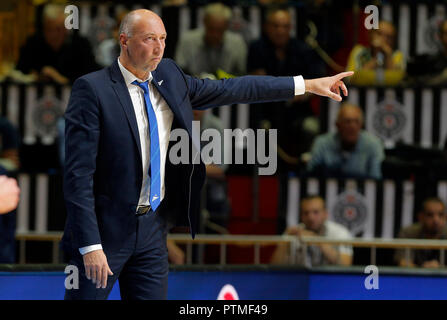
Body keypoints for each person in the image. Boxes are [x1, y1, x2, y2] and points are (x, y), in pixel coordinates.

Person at [62, 8, 353, 300]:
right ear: (124, 41)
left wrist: (308, 85)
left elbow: (235, 88)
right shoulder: (93, 89)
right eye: (150, 39)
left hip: (152, 229)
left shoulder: (169, 76)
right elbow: (78, 177)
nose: (159, 47)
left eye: (163, 38)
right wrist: (90, 245)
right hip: (104, 231)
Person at [16, 4, 99, 84]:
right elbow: (19, 72)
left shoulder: (81, 46)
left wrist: (59, 79)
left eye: (58, 29)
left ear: (67, 29)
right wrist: (35, 77)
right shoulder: (32, 44)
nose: (53, 34)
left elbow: (90, 79)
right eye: (49, 29)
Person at [306, 103, 384, 179]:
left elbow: (375, 179)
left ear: (361, 125)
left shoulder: (373, 144)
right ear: (337, 125)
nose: (352, 126)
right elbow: (311, 176)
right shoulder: (322, 143)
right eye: (347, 121)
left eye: (356, 121)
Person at [271, 195, 353, 266]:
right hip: (299, 279)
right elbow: (274, 265)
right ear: (301, 216)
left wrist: (316, 240)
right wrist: (284, 243)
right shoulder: (293, 232)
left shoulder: (339, 232)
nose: (311, 217)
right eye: (306, 213)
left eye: (316, 212)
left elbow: (345, 264)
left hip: (331, 280)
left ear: (325, 214)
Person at [174, 3, 247, 77]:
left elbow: (242, 73)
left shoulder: (237, 43)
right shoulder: (188, 40)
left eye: (219, 30)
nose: (215, 34)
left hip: (227, 86)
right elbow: (178, 71)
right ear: (204, 22)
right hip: (194, 86)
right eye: (211, 29)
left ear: (227, 26)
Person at [346, 20, 405, 85]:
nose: (384, 39)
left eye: (389, 37)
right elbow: (350, 79)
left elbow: (397, 81)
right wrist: (376, 59)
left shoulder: (397, 55)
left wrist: (388, 55)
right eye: (379, 34)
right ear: (371, 34)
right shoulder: (359, 51)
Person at [395, 197, 447, 268]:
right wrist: (422, 270)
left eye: (440, 215)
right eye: (430, 215)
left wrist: (440, 269)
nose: (436, 220)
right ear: (421, 217)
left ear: (445, 217)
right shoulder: (408, 233)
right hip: (414, 278)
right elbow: (403, 262)